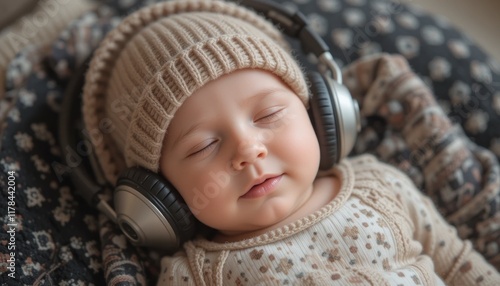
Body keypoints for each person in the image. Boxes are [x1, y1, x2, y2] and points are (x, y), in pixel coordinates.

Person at [82, 0, 500, 284]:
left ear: (319, 113)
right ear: (161, 196)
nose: (247, 151)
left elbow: (459, 263)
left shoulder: (380, 185)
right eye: (202, 147)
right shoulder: (197, 274)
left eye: (268, 115)